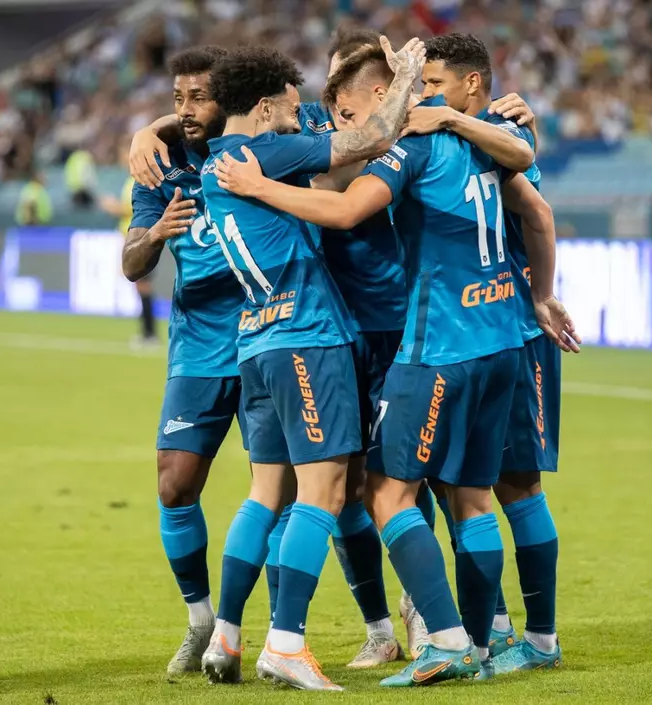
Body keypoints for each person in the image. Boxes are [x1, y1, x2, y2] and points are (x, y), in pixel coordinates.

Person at [212, 43, 577, 687]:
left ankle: (444, 638)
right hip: (503, 337)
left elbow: (346, 205)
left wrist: (260, 186)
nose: (337, 117)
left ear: (389, 94)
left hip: (432, 341)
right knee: (474, 493)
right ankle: (488, 637)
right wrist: (542, 295)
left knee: (382, 489)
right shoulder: (493, 136)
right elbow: (536, 200)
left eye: (430, 82)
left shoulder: (413, 144)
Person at [196, 41, 423, 691]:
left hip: (255, 343)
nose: (303, 121)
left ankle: (226, 635)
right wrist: (405, 77)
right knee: (324, 493)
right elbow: (374, 136)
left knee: (266, 493)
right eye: (294, 110)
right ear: (265, 109)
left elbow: (323, 180)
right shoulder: (267, 152)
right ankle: (287, 643)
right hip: (307, 338)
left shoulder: (216, 163)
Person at [413, 33, 576, 675]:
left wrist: (542, 296)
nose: (428, 95)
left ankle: (535, 640)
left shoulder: (497, 136)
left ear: (472, 83)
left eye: (436, 84)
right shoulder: (479, 136)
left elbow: (538, 214)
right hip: (479, 332)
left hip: (510, 332)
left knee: (514, 487)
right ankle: (499, 630)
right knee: (468, 485)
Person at [120, 45, 241, 679]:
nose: (186, 109)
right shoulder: (159, 167)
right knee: (174, 484)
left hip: (266, 338)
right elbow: (130, 264)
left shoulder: (260, 147)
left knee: (304, 489)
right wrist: (155, 233)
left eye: (199, 96)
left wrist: (153, 124)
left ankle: (313, 631)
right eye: (177, 99)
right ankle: (200, 622)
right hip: (197, 348)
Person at [103, 141, 158, 346]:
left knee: (143, 286)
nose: (121, 159)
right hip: (132, 240)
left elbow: (136, 209)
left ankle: (149, 333)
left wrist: (114, 207)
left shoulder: (138, 179)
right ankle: (147, 332)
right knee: (140, 286)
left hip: (140, 241)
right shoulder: (130, 180)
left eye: (124, 154)